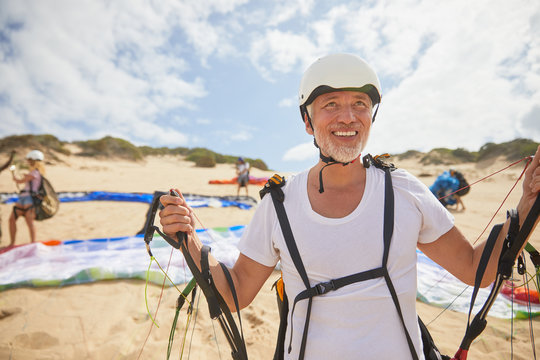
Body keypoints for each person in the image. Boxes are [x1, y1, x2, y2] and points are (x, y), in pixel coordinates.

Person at [159, 54, 540, 359]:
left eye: (360, 103)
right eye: (331, 105)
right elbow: (238, 291)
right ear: (307, 122)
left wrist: (528, 202)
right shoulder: (278, 205)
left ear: (371, 115)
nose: (348, 116)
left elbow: (475, 268)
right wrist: (189, 241)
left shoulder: (404, 190)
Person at [8, 150, 45, 247]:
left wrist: (16, 175)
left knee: (28, 222)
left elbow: (21, 180)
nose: (28, 162)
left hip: (29, 199)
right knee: (14, 220)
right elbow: (22, 180)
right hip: (24, 199)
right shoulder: (34, 172)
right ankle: (14, 243)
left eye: (30, 160)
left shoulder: (35, 173)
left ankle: (30, 243)